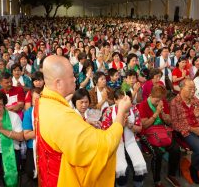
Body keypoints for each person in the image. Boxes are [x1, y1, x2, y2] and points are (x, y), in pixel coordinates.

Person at [37, 55, 132, 187]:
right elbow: (103, 145)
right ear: (58, 83)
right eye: (71, 76)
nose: (75, 79)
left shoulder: (44, 100)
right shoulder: (61, 116)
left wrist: (83, 122)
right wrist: (121, 111)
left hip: (48, 174)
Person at [102, 89, 147, 187]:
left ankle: (138, 183)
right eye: (121, 100)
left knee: (140, 164)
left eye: (126, 100)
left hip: (132, 140)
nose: (124, 103)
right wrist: (119, 124)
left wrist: (129, 125)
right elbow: (105, 131)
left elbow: (139, 129)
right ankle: (121, 184)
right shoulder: (109, 111)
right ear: (115, 100)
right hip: (115, 142)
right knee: (121, 168)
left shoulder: (134, 110)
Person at [138, 85, 181, 187]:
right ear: (150, 95)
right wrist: (156, 113)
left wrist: (164, 115)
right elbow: (144, 125)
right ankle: (157, 180)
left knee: (176, 149)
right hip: (147, 133)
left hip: (162, 131)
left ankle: (171, 174)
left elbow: (169, 121)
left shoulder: (163, 102)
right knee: (157, 154)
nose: (159, 102)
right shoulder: (143, 105)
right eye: (156, 100)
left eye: (160, 100)